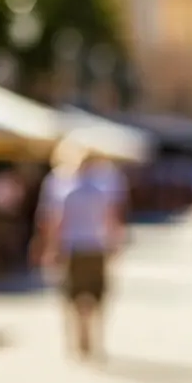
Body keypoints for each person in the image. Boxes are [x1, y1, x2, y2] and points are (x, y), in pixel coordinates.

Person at [44, 151, 127, 360]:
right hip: (95, 246)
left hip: (73, 247)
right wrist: (115, 244)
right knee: (96, 295)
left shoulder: (65, 190)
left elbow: (57, 222)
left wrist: (52, 248)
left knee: (73, 296)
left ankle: (79, 334)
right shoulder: (100, 190)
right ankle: (93, 336)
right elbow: (110, 218)